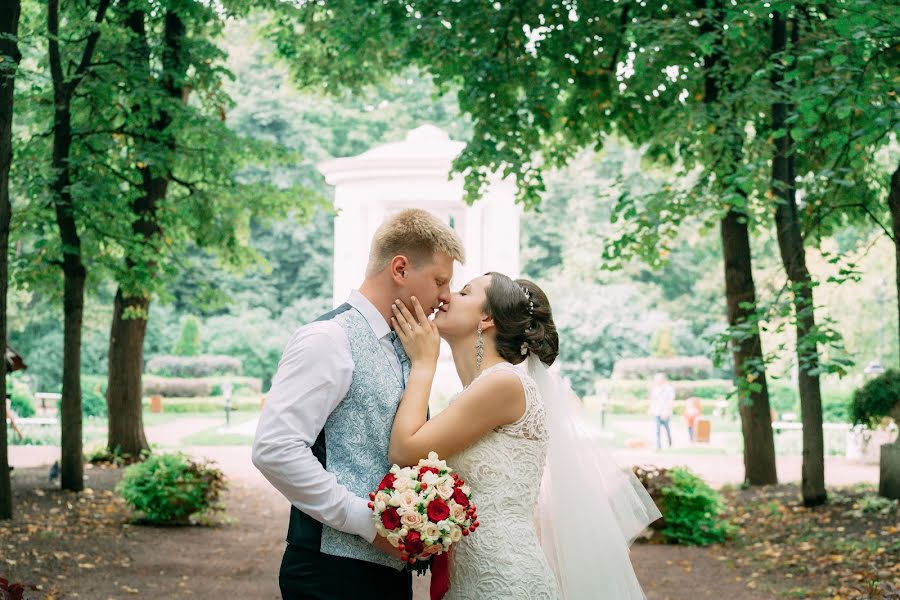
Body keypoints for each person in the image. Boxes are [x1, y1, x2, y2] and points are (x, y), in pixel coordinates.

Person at [389, 272, 659, 599]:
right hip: (468, 579)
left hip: (503, 580)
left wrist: (423, 364)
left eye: (463, 292)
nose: (446, 297)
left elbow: (405, 451)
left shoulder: (503, 384)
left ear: (486, 318)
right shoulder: (481, 390)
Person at [251, 209, 465, 600]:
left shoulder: (408, 348)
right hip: (330, 575)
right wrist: (368, 523)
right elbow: (274, 449)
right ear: (400, 269)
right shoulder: (328, 339)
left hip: (386, 575)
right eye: (440, 281)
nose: (446, 296)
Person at [649, 373, 675, 450]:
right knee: (657, 430)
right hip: (657, 412)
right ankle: (658, 446)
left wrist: (666, 412)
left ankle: (670, 444)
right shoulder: (655, 389)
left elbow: (670, 401)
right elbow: (653, 400)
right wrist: (651, 409)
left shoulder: (668, 389)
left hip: (665, 412)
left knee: (667, 429)